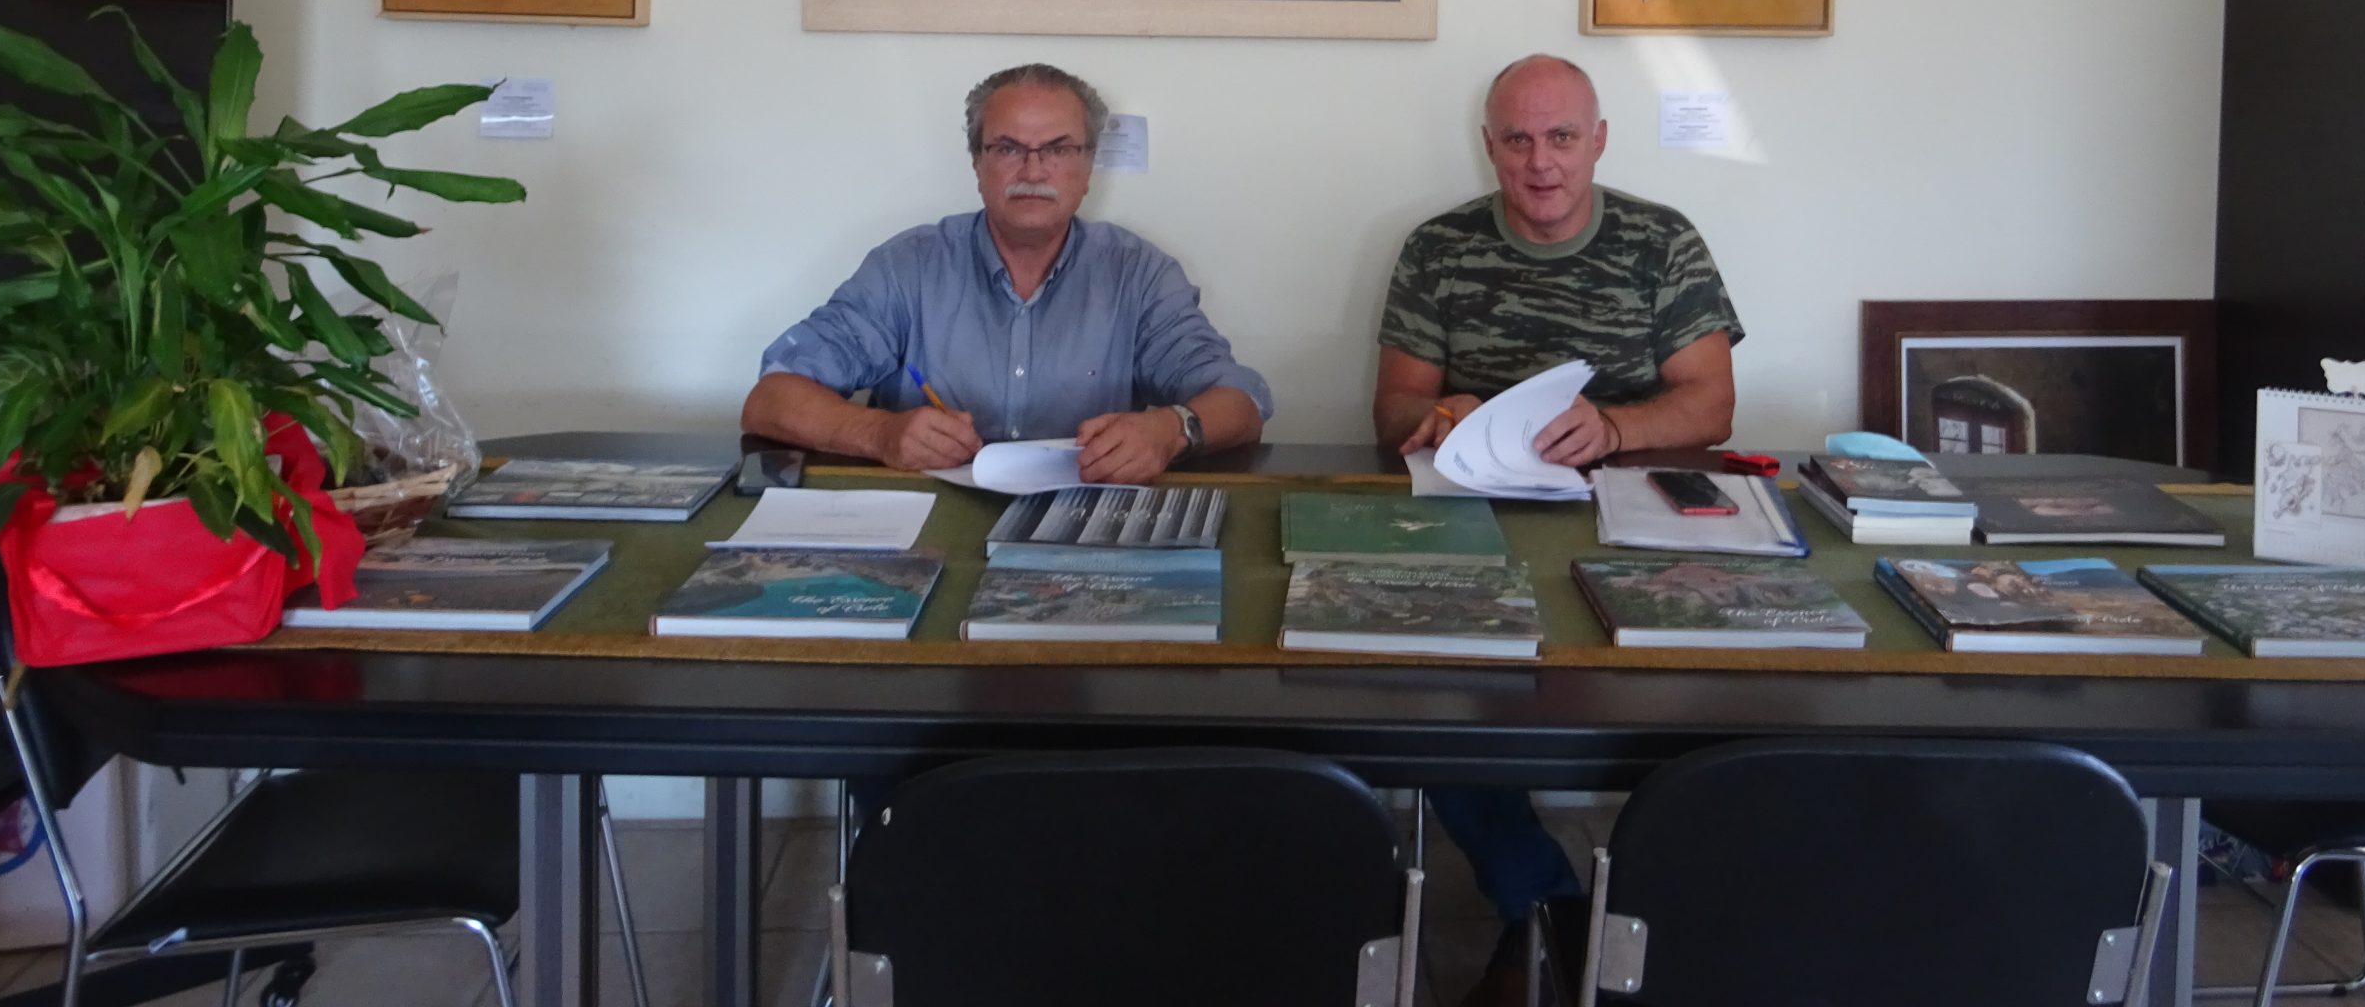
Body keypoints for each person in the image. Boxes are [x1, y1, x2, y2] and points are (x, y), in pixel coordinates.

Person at [1373, 53, 1742, 1007]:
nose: (1542, 163)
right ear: (1489, 145)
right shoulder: (1439, 247)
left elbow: (1712, 403)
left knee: (1727, 689)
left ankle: (1676, 916)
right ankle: (1542, 902)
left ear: (1600, 141)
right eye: (1519, 140)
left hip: (1631, 511)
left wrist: (1615, 427)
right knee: (1431, 692)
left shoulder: (1662, 241)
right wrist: (1440, 413)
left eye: (1563, 138)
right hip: (1480, 515)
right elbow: (1393, 407)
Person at [744, 63, 1271, 480]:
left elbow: (1241, 402)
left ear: (1088, 166)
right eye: (1007, 148)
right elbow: (771, 399)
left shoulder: (1138, 274)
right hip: (929, 517)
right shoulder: (908, 267)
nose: (1033, 170)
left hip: (1083, 519)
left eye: (1058, 149)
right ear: (977, 162)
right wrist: (878, 433)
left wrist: (1170, 430)